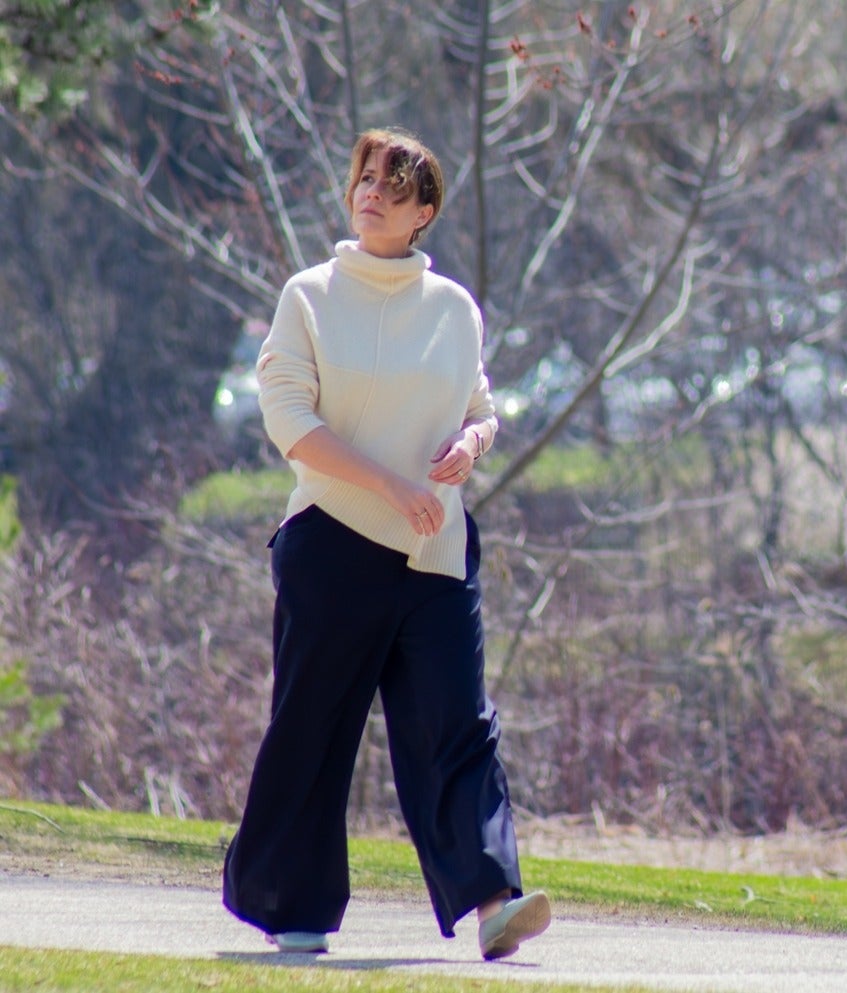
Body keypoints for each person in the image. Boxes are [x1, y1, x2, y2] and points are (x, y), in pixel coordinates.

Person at [221, 127, 550, 961]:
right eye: (366, 179)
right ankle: (291, 906)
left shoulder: (453, 310)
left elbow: (480, 408)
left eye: (394, 188)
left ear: (424, 212)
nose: (372, 194)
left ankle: (493, 901)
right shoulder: (310, 295)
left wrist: (473, 446)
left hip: (436, 552)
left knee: (457, 723)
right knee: (314, 726)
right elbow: (291, 421)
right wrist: (393, 486)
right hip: (331, 546)